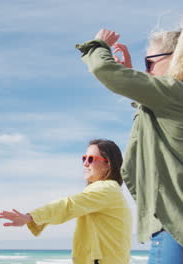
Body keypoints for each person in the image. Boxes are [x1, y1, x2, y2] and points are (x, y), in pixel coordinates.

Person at [76, 27, 183, 263]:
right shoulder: (172, 98)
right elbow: (152, 118)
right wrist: (135, 80)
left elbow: (103, 68)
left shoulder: (172, 92)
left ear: (176, 57)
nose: (148, 70)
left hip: (175, 229)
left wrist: (97, 45)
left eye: (150, 62)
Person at [0, 139, 132, 264]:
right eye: (84, 158)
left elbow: (68, 205)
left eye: (91, 159)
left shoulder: (106, 189)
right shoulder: (110, 191)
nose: (85, 163)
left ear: (107, 163)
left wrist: (31, 216)